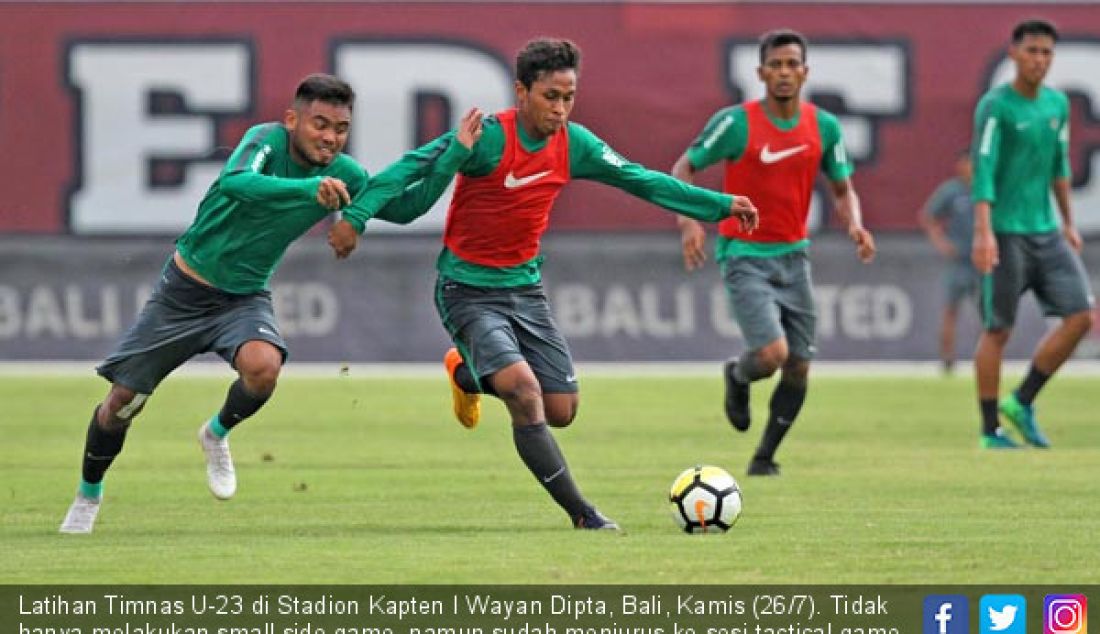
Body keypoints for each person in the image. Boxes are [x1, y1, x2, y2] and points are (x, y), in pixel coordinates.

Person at [332, 37, 758, 530]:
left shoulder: (575, 144)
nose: (560, 108)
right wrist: (356, 216)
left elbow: (644, 180)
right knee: (523, 391)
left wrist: (720, 205)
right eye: (550, 96)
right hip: (466, 289)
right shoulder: (487, 137)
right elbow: (407, 170)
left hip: (525, 291)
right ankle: (583, 514)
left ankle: (466, 373)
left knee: (561, 410)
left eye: (568, 97)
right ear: (521, 91)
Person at [59, 73, 483, 533]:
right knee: (122, 403)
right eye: (319, 124)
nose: (330, 137)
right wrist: (309, 190)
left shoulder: (344, 174)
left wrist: (455, 153)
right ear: (292, 120)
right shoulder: (264, 140)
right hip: (182, 292)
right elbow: (236, 183)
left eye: (340, 129)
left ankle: (215, 433)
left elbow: (405, 207)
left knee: (263, 370)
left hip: (243, 299)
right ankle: (88, 494)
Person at [671, 29, 875, 476]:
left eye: (792, 65)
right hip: (744, 254)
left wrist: (855, 223)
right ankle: (738, 376)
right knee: (772, 355)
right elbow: (683, 166)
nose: (784, 73)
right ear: (760, 73)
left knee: (800, 364)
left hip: (794, 257)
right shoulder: (736, 123)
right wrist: (689, 221)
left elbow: (843, 188)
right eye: (775, 65)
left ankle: (764, 458)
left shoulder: (824, 126)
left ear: (805, 72)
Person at [970, 19, 1094, 449]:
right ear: (1013, 54)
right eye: (1032, 51)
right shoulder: (996, 106)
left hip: (1047, 231)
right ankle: (991, 431)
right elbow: (982, 169)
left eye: (1046, 53)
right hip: (1004, 233)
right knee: (998, 329)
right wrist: (983, 232)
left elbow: (1059, 167)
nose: (1039, 60)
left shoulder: (1056, 105)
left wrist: (1069, 222)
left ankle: (1022, 400)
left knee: (1081, 316)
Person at [919, 151, 979, 374]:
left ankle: (984, 358)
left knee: (987, 313)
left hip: (981, 261)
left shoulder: (986, 188)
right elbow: (929, 216)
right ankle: (947, 358)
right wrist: (941, 242)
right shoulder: (951, 192)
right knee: (950, 310)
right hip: (959, 261)